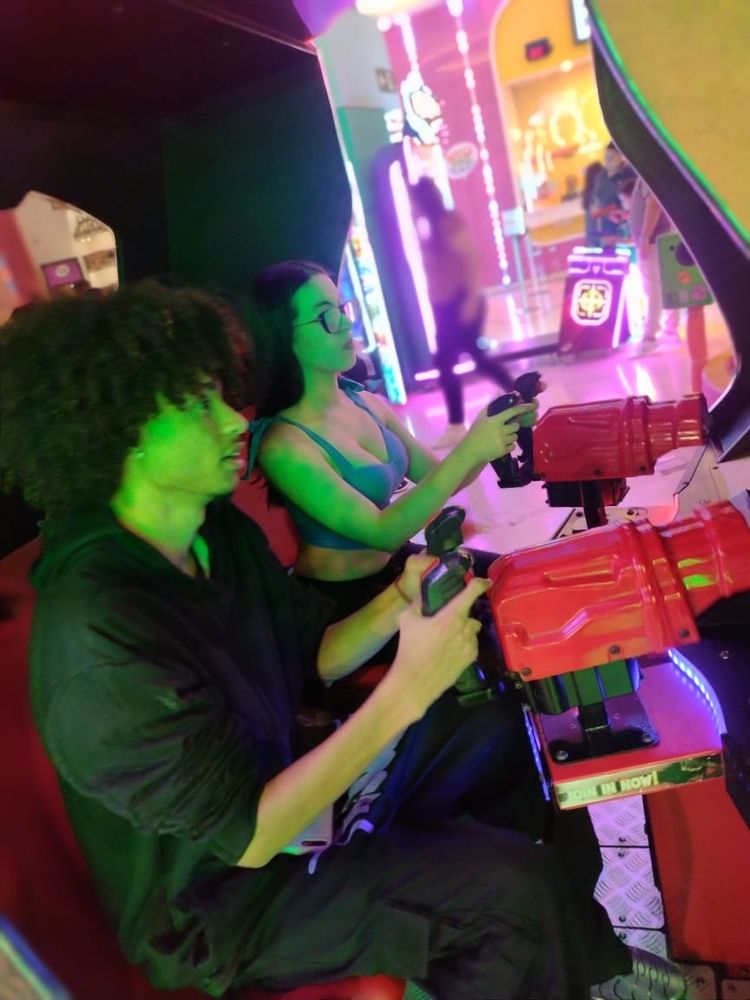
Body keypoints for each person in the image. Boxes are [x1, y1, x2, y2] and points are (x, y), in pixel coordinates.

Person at [0, 283, 686, 1000]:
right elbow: (251, 836)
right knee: (512, 893)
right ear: (122, 433)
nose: (233, 420)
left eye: (221, 396)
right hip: (228, 903)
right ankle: (539, 935)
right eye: (198, 406)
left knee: (495, 728)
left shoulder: (213, 529)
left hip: (297, 797)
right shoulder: (98, 630)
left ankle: (578, 958)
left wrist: (403, 596)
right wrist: (406, 690)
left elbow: (313, 654)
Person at [247, 258, 534, 664]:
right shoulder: (284, 444)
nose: (346, 324)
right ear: (283, 336)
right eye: (325, 317)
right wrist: (471, 448)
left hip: (400, 567)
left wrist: (495, 431)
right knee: (490, 642)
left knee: (519, 582)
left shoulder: (364, 401)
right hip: (348, 603)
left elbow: (441, 477)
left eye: (341, 309)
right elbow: (382, 531)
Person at [409, 178, 515, 447]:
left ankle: (458, 424)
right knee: (471, 359)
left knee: (449, 363)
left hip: (459, 302)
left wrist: (470, 299)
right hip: (445, 306)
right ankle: (517, 393)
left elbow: (472, 258)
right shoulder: (430, 228)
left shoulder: (448, 223)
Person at [622, 175, 679, 350]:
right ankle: (670, 328)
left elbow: (654, 205)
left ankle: (651, 334)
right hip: (655, 239)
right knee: (665, 285)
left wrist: (645, 237)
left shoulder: (647, 176)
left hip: (654, 240)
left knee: (653, 287)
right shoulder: (643, 177)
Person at [591, 143, 636, 248]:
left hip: (626, 229)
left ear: (621, 157)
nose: (607, 161)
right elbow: (595, 199)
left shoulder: (630, 174)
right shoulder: (600, 176)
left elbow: (637, 202)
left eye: (611, 158)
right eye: (606, 158)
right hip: (605, 229)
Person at [582, 160, 604, 246]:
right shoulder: (596, 195)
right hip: (601, 240)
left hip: (593, 240)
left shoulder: (589, 194)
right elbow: (599, 218)